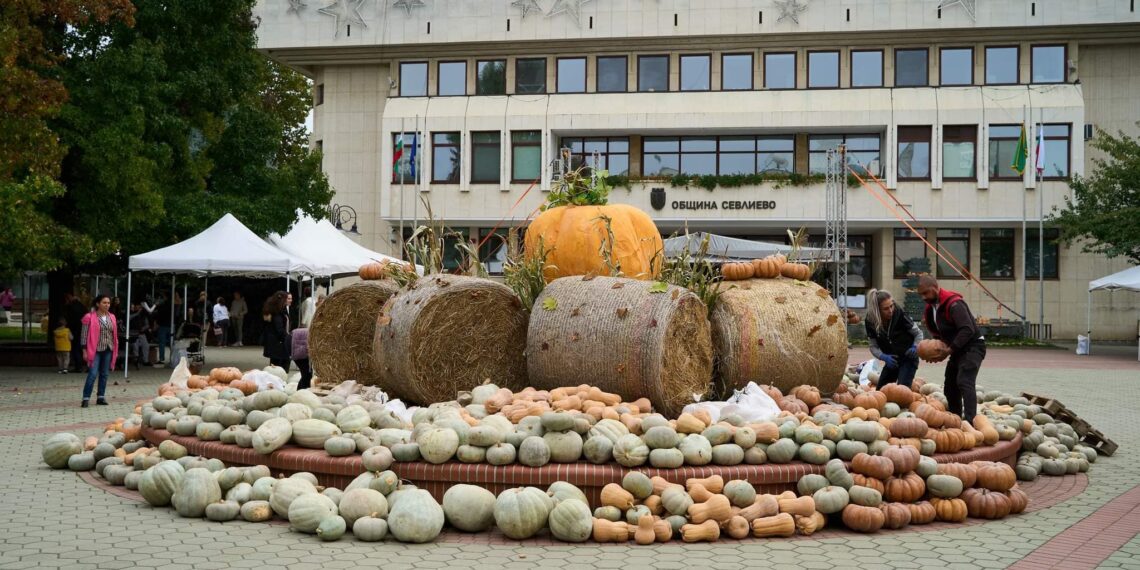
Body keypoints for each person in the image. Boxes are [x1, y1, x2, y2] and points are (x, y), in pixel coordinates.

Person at [917, 275, 986, 422]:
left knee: (964, 381)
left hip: (973, 346)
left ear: (935, 288)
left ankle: (970, 422)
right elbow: (939, 333)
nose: (923, 297)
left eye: (926, 293)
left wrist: (949, 350)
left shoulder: (955, 304)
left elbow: (967, 330)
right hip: (957, 349)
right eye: (921, 294)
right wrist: (934, 351)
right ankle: (955, 419)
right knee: (950, 386)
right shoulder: (931, 309)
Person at [863, 289, 922, 388]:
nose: (890, 310)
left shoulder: (899, 313)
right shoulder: (870, 321)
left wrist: (915, 346)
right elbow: (873, 347)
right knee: (881, 391)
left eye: (891, 306)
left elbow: (918, 333)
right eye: (886, 309)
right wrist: (884, 357)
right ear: (877, 310)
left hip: (908, 358)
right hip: (892, 360)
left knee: (901, 390)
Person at [80, 295, 118, 407]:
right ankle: (86, 398)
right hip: (95, 349)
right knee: (92, 373)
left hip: (108, 348)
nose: (107, 305)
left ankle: (101, 397)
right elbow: (83, 335)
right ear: (98, 304)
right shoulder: (89, 317)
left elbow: (113, 334)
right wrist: (84, 350)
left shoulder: (112, 317)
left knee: (104, 374)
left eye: (108, 303)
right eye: (104, 303)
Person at [262, 291, 291, 370]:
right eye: (287, 299)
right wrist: (289, 338)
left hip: (280, 342)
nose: (289, 300)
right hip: (278, 344)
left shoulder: (282, 310)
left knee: (278, 366)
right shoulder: (277, 313)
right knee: (279, 366)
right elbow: (279, 329)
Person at [64, 292, 87, 373]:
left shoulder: (71, 307)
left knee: (75, 349)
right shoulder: (81, 305)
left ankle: (78, 366)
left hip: (75, 330)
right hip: (83, 329)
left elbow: (70, 319)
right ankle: (81, 366)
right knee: (80, 348)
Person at [154, 291, 173, 366]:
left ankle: (161, 359)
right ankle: (172, 358)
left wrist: (157, 323)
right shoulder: (172, 304)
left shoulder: (162, 305)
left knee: (162, 343)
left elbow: (159, 315)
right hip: (170, 325)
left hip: (163, 325)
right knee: (171, 343)